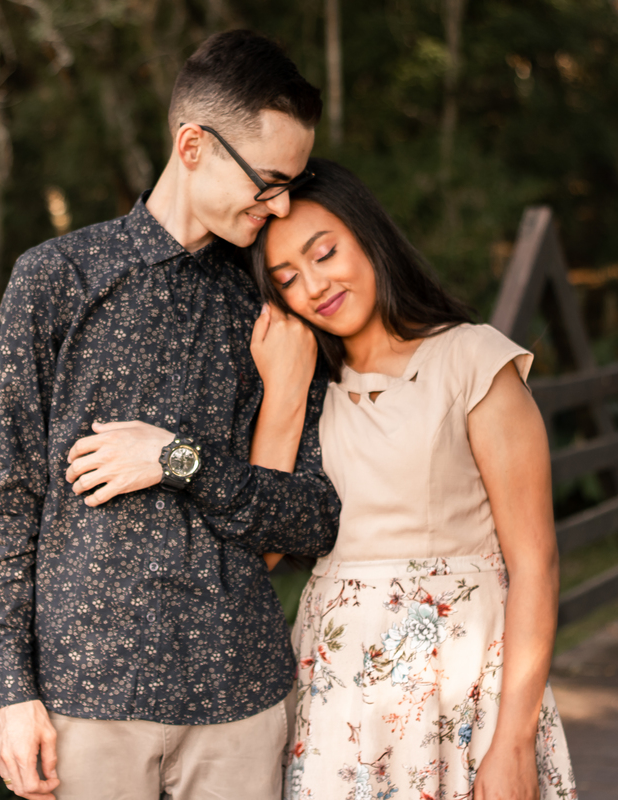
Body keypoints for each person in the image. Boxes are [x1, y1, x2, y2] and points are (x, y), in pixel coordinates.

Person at [0, 31, 342, 800]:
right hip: (86, 705)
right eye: (269, 182)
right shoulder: (56, 279)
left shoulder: (274, 307)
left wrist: (177, 459)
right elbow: (3, 498)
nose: (282, 206)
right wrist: (9, 689)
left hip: (241, 703)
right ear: (193, 146)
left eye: (293, 186)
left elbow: (312, 518)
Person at [249, 159, 579, 800]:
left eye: (324, 253)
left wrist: (513, 742)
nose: (314, 286)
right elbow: (260, 550)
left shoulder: (471, 360)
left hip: (459, 693)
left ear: (368, 234)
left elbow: (535, 562)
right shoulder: (308, 389)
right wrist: (283, 396)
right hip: (338, 698)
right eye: (287, 279)